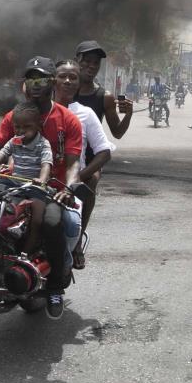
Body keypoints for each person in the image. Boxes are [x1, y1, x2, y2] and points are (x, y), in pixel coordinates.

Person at [0, 56, 83, 319]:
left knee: (53, 222)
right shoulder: (14, 117)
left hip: (49, 189)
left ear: (52, 82)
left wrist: (68, 188)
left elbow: (72, 163)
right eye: (31, 79)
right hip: (15, 184)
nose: (36, 84)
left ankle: (55, 288)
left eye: (42, 78)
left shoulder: (68, 120)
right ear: (24, 84)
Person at [54, 59, 115, 270]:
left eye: (73, 78)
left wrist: (79, 177)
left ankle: (76, 244)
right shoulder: (39, 110)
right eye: (62, 76)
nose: (68, 81)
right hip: (39, 179)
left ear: (79, 84)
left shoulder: (85, 114)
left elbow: (104, 152)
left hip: (69, 182)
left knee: (71, 222)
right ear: (53, 80)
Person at [0, 100, 53, 255]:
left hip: (34, 187)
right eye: (17, 127)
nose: (21, 131)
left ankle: (26, 252)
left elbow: (46, 165)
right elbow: (0, 156)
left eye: (27, 127)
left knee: (38, 219)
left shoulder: (43, 144)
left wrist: (41, 180)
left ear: (38, 126)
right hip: (13, 184)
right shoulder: (13, 141)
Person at [74, 40, 134, 141]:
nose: (92, 66)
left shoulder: (105, 97)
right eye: (87, 61)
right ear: (76, 61)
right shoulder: (61, 91)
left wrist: (128, 114)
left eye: (96, 62)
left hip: (92, 156)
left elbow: (117, 133)